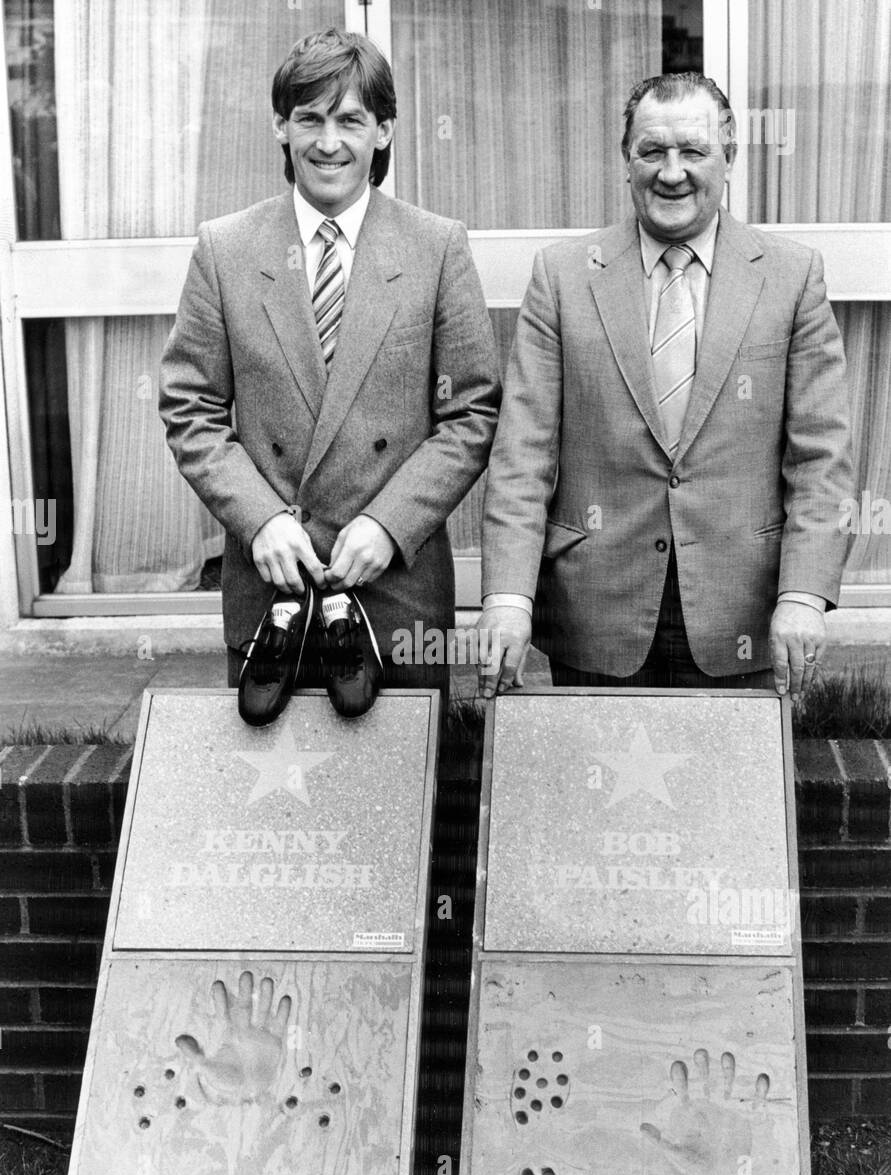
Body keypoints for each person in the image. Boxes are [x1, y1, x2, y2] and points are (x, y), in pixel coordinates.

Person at [478, 73, 852, 699]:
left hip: (747, 617)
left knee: (735, 798)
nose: (671, 172)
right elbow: (523, 458)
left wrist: (804, 595)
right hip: (594, 617)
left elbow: (822, 460)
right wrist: (508, 599)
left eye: (693, 151)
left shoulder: (792, 277)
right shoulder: (563, 278)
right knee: (594, 795)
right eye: (652, 151)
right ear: (626, 160)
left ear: (728, 158)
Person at [160, 28, 499, 705]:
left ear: (382, 131)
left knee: (403, 795)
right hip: (271, 592)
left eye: (350, 120)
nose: (328, 141)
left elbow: (470, 413)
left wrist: (389, 524)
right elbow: (190, 407)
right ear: (281, 128)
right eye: (309, 118)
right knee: (272, 798)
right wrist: (260, 520)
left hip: (394, 591)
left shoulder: (436, 247)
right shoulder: (224, 249)